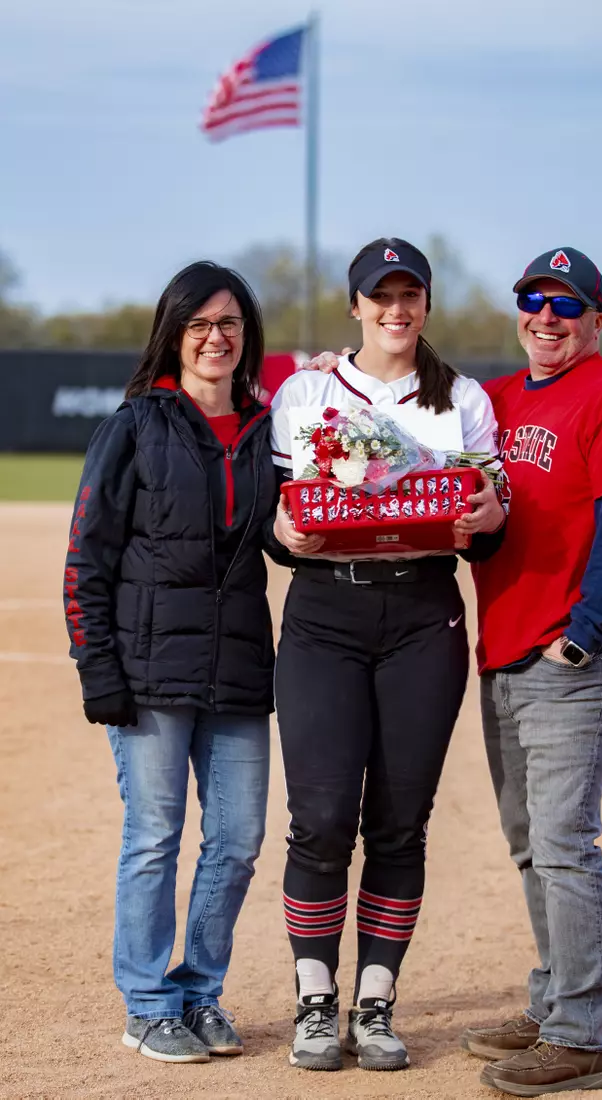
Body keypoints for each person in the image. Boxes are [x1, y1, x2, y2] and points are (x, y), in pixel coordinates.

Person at [269, 237, 507, 1072]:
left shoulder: (462, 400)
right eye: (381, 296)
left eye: (410, 296)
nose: (395, 311)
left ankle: (374, 1003)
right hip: (324, 616)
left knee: (400, 825)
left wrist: (486, 520)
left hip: (421, 613)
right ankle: (313, 1000)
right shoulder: (304, 391)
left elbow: (486, 523)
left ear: (426, 306)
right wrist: (283, 531)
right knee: (321, 820)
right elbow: (278, 521)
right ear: (355, 304)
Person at [458, 248, 602, 1096]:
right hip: (506, 650)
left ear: (596, 319)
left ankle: (579, 1036)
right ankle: (553, 999)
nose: (545, 317)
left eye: (565, 304)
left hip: (575, 659)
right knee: (530, 845)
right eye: (532, 301)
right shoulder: (500, 401)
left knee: (562, 843)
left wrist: (583, 638)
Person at [63, 261, 287, 1063]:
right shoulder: (132, 426)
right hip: (149, 673)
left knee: (237, 839)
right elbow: (86, 556)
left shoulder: (266, 431)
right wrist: (98, 668)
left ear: (245, 335)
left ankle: (199, 991)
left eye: (229, 324)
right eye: (199, 324)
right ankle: (149, 1003)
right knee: (155, 838)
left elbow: (286, 533)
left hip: (236, 674)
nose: (215, 338)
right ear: (174, 333)